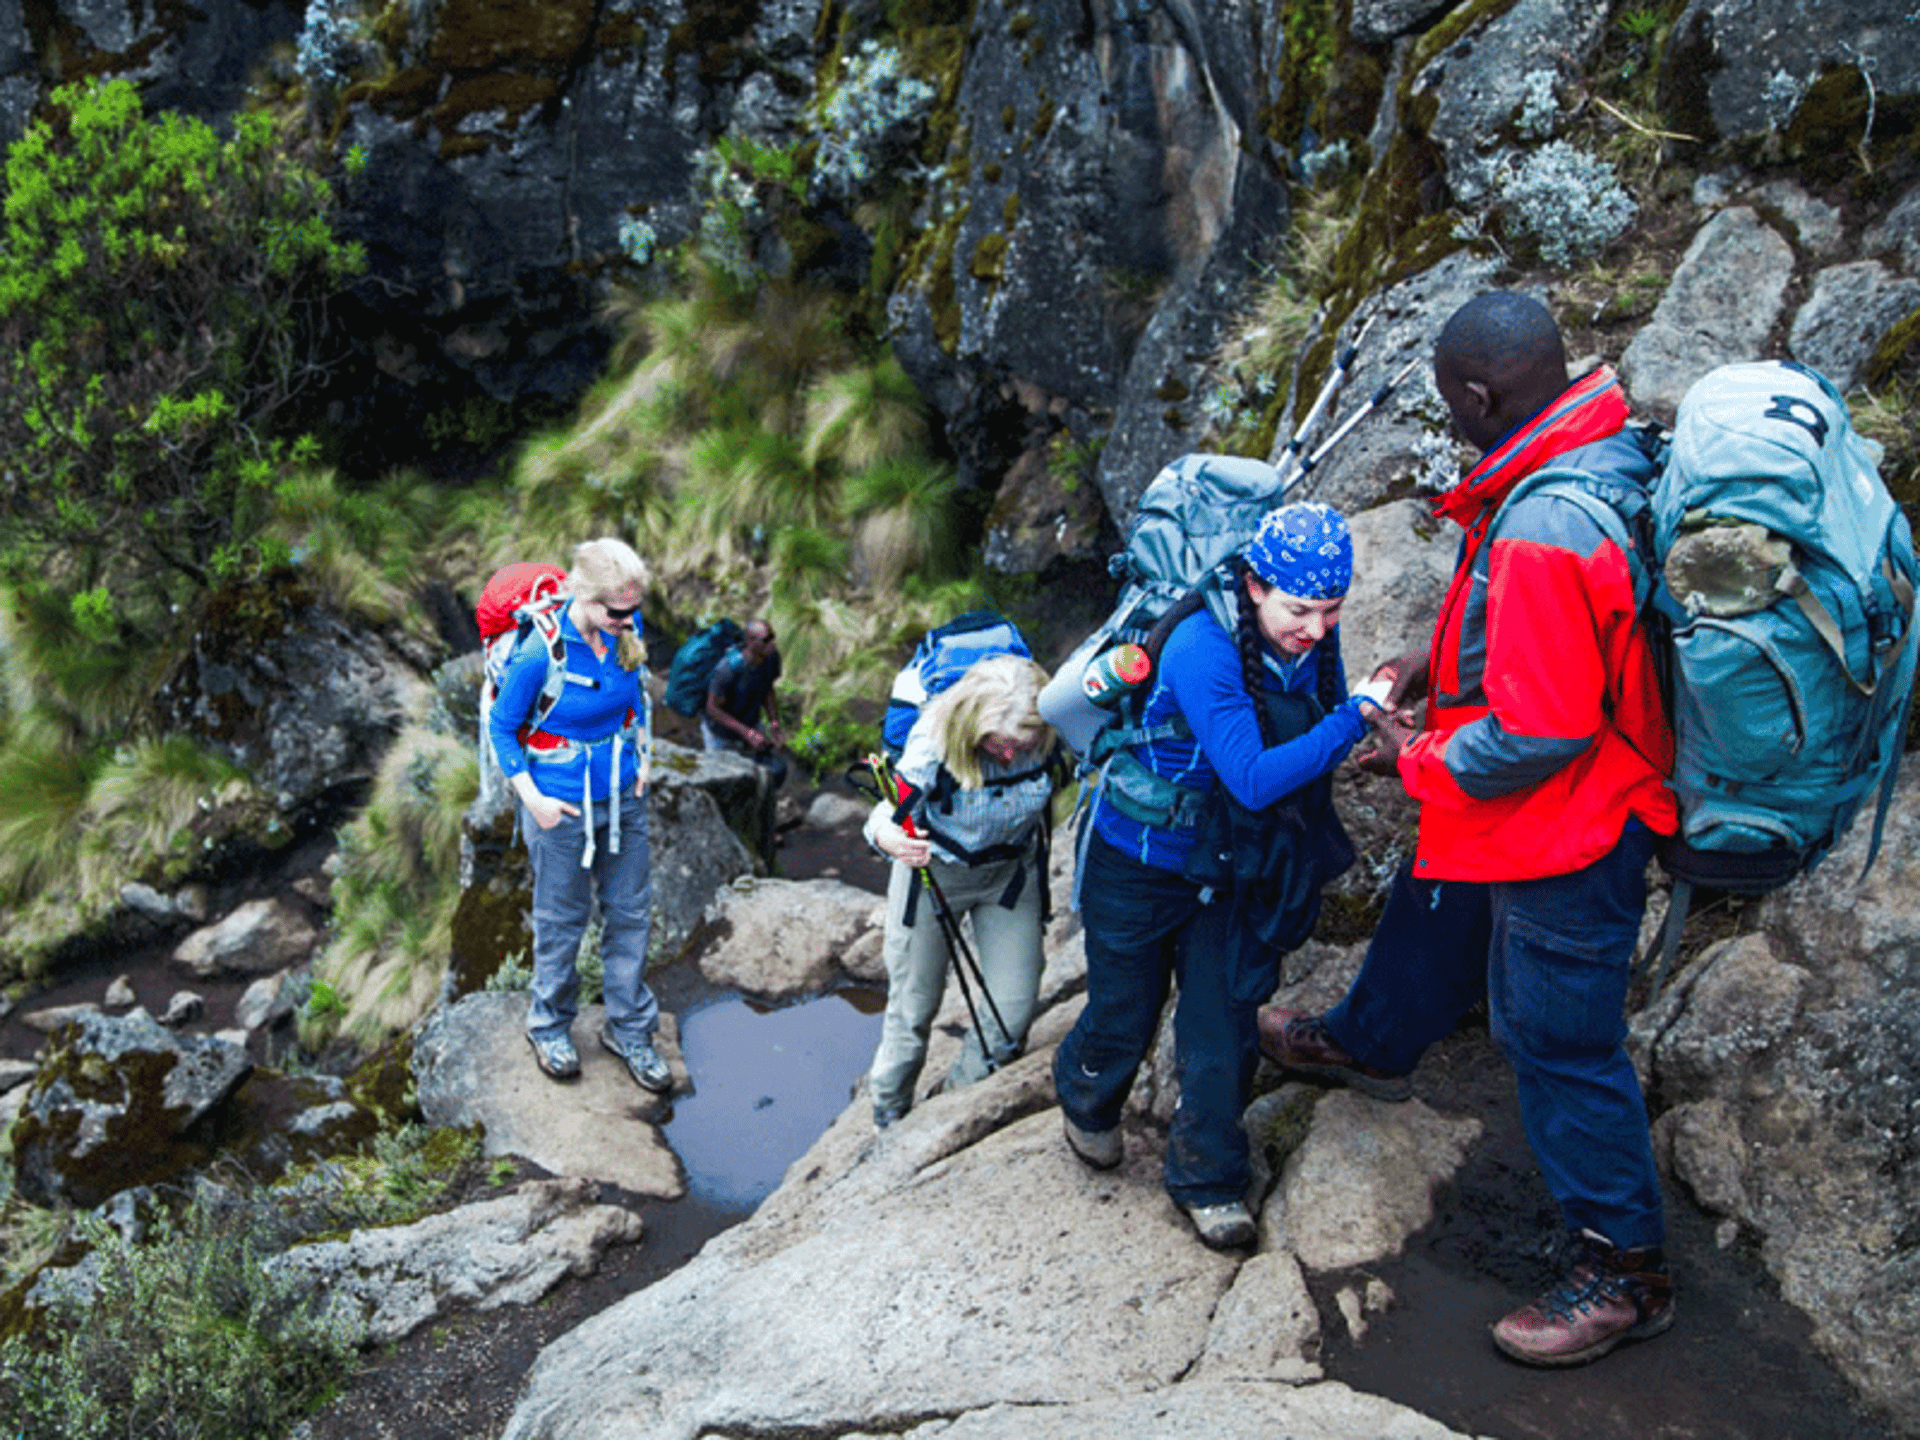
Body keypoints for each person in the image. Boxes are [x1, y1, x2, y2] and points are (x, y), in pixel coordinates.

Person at [1257, 290, 1680, 1366]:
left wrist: (1416, 756)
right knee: (1433, 902)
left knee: (1557, 1038)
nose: (1451, 421)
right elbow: (1533, 640)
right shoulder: (1588, 450)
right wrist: (1427, 673)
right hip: (1514, 814)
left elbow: (1543, 728)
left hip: (1572, 826)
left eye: (1453, 403)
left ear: (1483, 395)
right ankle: (1368, 1041)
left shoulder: (1542, 522)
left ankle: (1623, 1269)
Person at [1052, 503, 1372, 1250]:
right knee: (1123, 1011)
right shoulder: (1201, 644)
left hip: (1229, 863)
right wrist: (1355, 720)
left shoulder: (1310, 639)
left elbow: (1309, 722)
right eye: (1300, 609)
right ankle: (1089, 1102)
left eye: (1332, 610)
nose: (1317, 628)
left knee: (1223, 1022)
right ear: (1255, 586)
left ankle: (1209, 1180)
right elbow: (1255, 778)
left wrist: (1348, 719)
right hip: (1138, 858)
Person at [488, 536, 673, 1093]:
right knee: (562, 922)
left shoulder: (624, 634)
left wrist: (643, 756)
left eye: (634, 608)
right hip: (559, 806)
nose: (629, 618)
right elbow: (502, 727)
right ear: (585, 597)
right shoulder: (538, 654)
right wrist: (534, 800)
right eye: (617, 610)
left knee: (630, 914)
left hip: (623, 799)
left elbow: (636, 696)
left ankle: (630, 1029)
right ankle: (548, 1027)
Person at [864, 654, 1060, 1128]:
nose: (1011, 755)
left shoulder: (1056, 725)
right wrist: (888, 838)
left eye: (1022, 744)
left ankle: (956, 1102)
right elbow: (889, 809)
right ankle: (889, 1110)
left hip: (1010, 877)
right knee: (913, 1008)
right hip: (935, 874)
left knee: (1012, 1011)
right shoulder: (934, 739)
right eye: (999, 743)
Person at [703, 618, 789, 791]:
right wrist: (747, 733)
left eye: (773, 637)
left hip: (750, 721)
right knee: (721, 785)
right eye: (766, 640)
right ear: (750, 642)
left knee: (765, 773)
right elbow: (712, 708)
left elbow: (767, 689)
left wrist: (774, 722)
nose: (772, 643)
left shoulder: (771, 659)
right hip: (721, 734)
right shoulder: (727, 670)